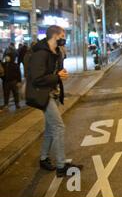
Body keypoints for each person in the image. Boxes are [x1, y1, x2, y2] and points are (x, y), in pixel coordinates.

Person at [26, 25, 83, 177]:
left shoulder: (56, 52)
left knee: (51, 128)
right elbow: (37, 78)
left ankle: (44, 159)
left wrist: (61, 74)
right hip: (42, 95)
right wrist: (57, 76)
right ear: (55, 36)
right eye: (63, 35)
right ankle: (61, 166)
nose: (64, 38)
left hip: (52, 93)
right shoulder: (40, 54)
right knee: (58, 127)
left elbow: (57, 72)